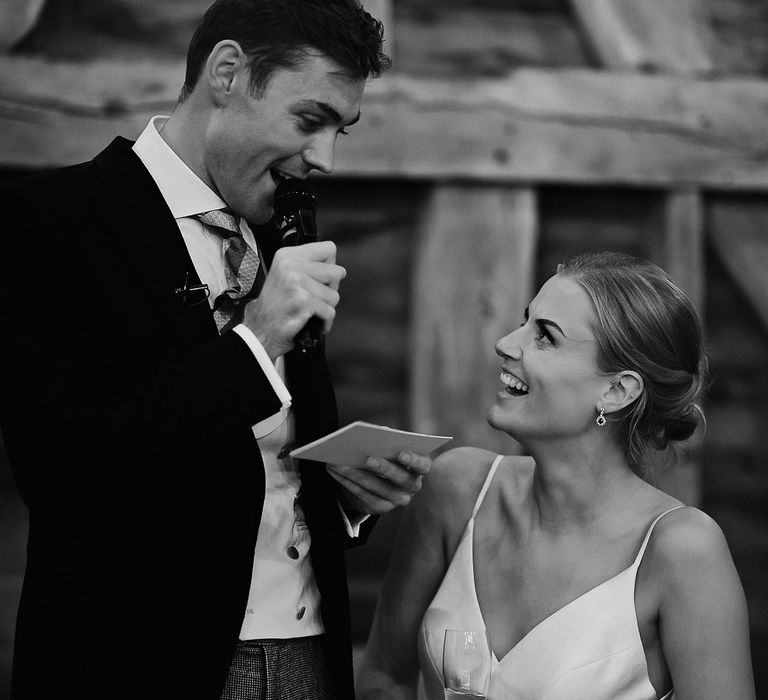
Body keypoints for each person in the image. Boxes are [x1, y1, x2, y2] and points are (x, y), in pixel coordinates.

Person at [0, 1, 433, 698]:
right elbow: (66, 475)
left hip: (311, 660)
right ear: (228, 72)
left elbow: (270, 472)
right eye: (309, 119)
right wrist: (256, 342)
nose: (324, 158)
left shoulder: (278, 233)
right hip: (140, 666)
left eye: (340, 130)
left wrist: (349, 497)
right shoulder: (46, 222)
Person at [358, 252, 755, 700]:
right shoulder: (456, 489)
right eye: (524, 322)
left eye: (544, 337)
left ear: (616, 390)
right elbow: (383, 678)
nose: (506, 343)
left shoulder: (683, 550)